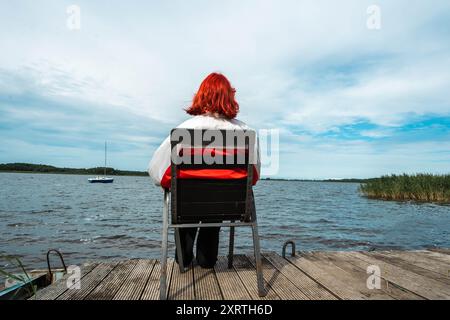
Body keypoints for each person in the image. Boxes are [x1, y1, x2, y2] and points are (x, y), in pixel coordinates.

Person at [148, 72, 260, 268]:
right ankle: (207, 259)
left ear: (201, 96)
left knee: (187, 199)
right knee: (215, 202)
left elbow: (156, 171)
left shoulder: (184, 130)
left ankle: (183, 258)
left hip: (187, 204)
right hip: (224, 205)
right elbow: (253, 176)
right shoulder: (246, 133)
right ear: (230, 98)